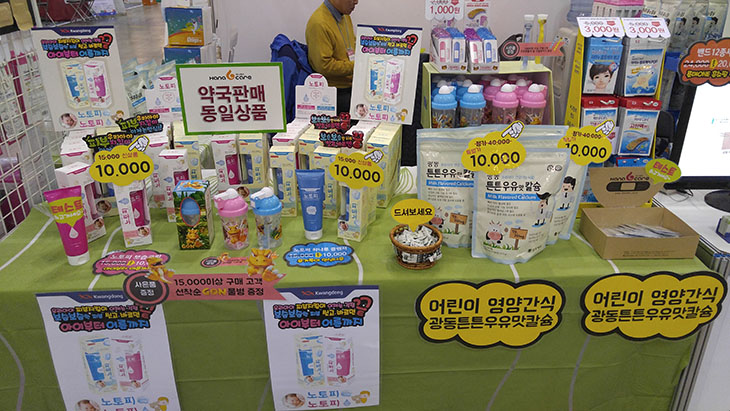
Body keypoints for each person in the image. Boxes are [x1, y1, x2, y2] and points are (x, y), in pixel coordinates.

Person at [305, 0, 358, 115]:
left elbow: (352, 45)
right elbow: (324, 66)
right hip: (334, 93)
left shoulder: (344, 16)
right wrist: (358, 66)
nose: (356, 2)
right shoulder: (319, 23)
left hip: (351, 85)